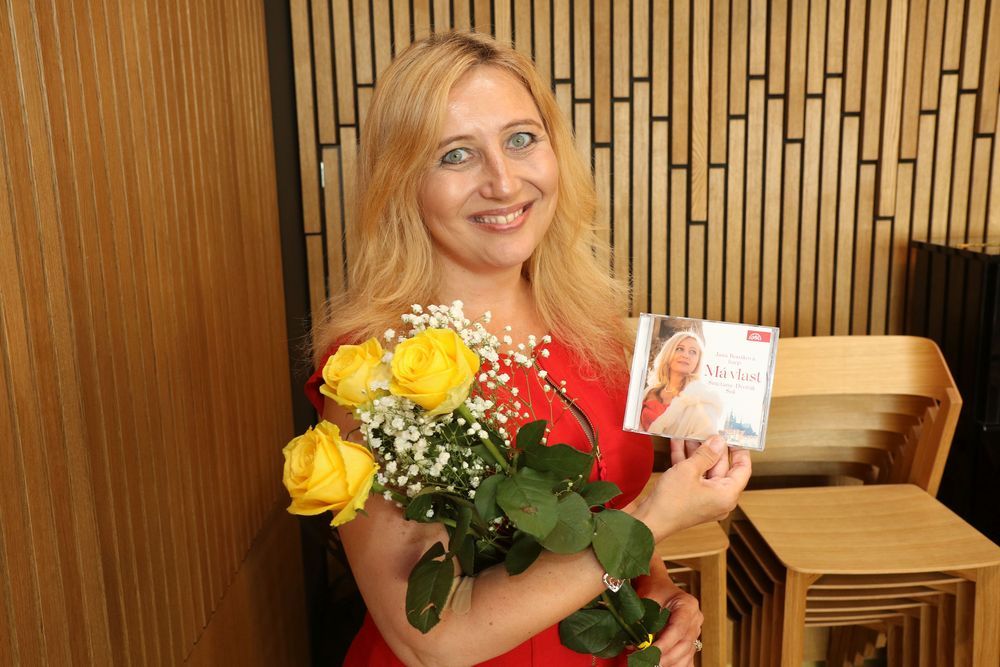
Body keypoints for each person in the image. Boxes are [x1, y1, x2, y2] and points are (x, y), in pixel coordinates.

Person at [305, 31, 751, 667]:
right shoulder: (375, 373)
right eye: (456, 155)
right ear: (402, 182)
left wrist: (658, 588)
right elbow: (432, 640)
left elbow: (604, 513)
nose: (503, 181)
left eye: (521, 139)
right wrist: (653, 518)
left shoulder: (598, 331)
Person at [640, 332, 725, 440]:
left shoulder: (702, 399)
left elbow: (704, 438)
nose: (686, 355)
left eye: (693, 352)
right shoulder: (649, 391)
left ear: (698, 361)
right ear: (668, 353)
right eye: (680, 349)